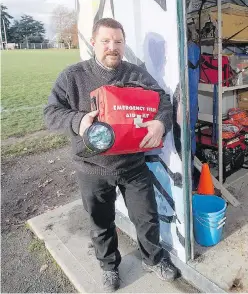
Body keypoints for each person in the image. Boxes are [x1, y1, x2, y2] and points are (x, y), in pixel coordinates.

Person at [44, 18, 178, 292]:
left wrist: (161, 123)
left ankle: (153, 260)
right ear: (93, 43)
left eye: (118, 41)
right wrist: (78, 121)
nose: (112, 47)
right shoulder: (73, 77)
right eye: (106, 41)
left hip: (133, 164)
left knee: (147, 217)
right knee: (101, 222)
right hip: (92, 167)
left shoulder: (136, 75)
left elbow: (162, 100)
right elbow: (50, 114)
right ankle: (109, 267)